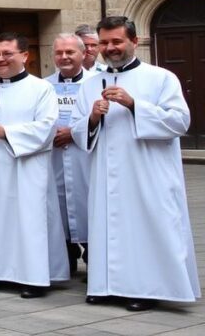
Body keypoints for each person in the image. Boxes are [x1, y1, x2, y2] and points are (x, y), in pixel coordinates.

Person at [71, 16, 200, 311]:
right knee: (107, 224)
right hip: (105, 173)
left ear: (133, 41)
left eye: (116, 41)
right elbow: (78, 131)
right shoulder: (90, 85)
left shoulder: (161, 78)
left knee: (144, 226)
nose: (110, 48)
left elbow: (180, 121)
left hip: (147, 171)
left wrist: (134, 105)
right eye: (104, 42)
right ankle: (105, 285)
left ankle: (144, 287)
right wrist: (92, 117)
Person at [0, 32, 69, 298]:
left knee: (27, 220)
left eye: (7, 54)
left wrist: (8, 132)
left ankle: (32, 277)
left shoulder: (41, 88)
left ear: (25, 55)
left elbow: (47, 127)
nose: (0, 59)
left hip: (26, 167)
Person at [46, 33, 91, 276]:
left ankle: (94, 258)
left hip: (84, 158)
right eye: (59, 53)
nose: (64, 57)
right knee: (58, 206)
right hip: (54, 157)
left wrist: (73, 133)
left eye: (70, 52)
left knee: (88, 207)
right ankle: (66, 260)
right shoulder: (44, 85)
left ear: (83, 54)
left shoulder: (95, 83)